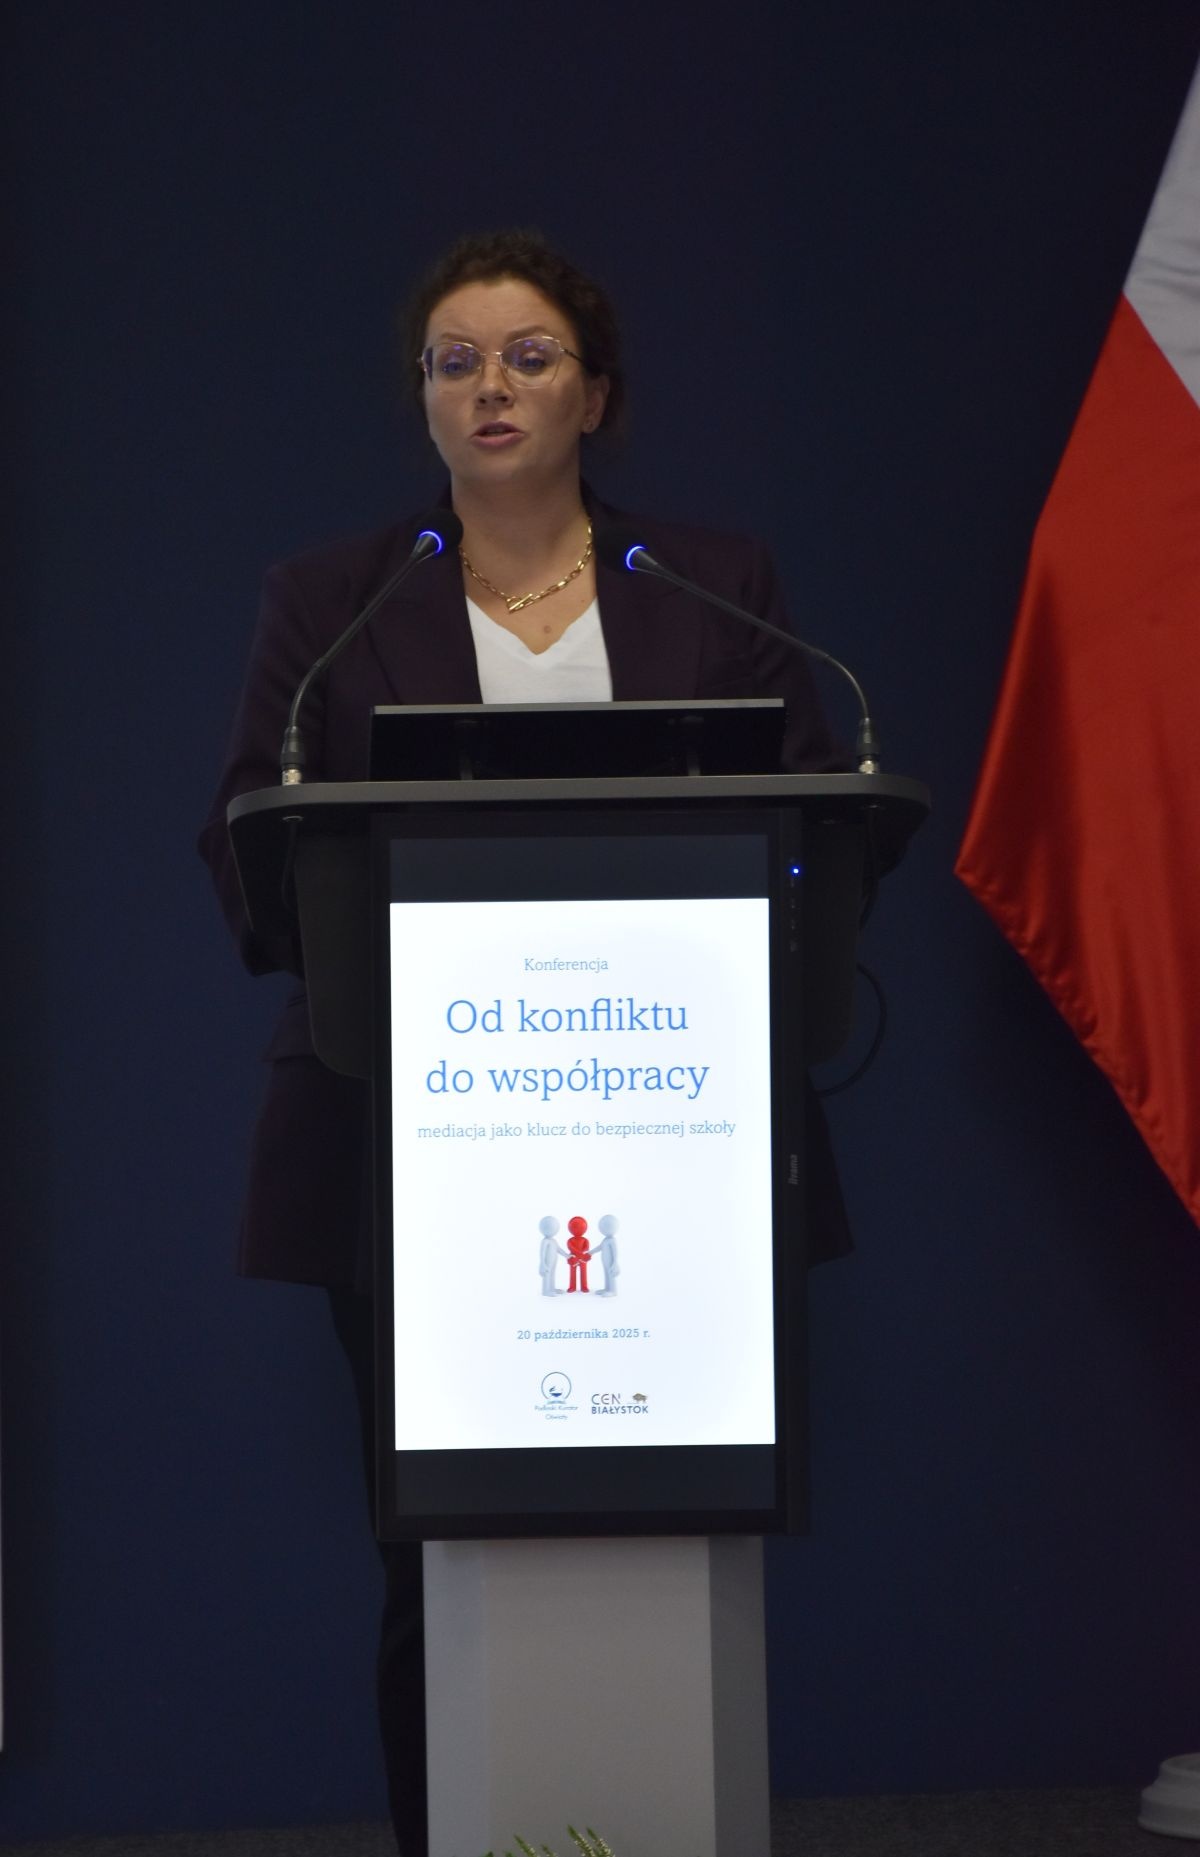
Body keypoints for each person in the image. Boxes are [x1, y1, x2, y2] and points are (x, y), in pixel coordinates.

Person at [199, 227, 851, 1857]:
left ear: (595, 394)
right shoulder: (335, 603)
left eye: (529, 355)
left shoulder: (708, 584)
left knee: (684, 1509)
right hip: (405, 1138)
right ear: (424, 400)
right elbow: (247, 835)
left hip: (679, 1121)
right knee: (433, 1541)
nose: (491, 385)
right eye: (456, 361)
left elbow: (823, 816)